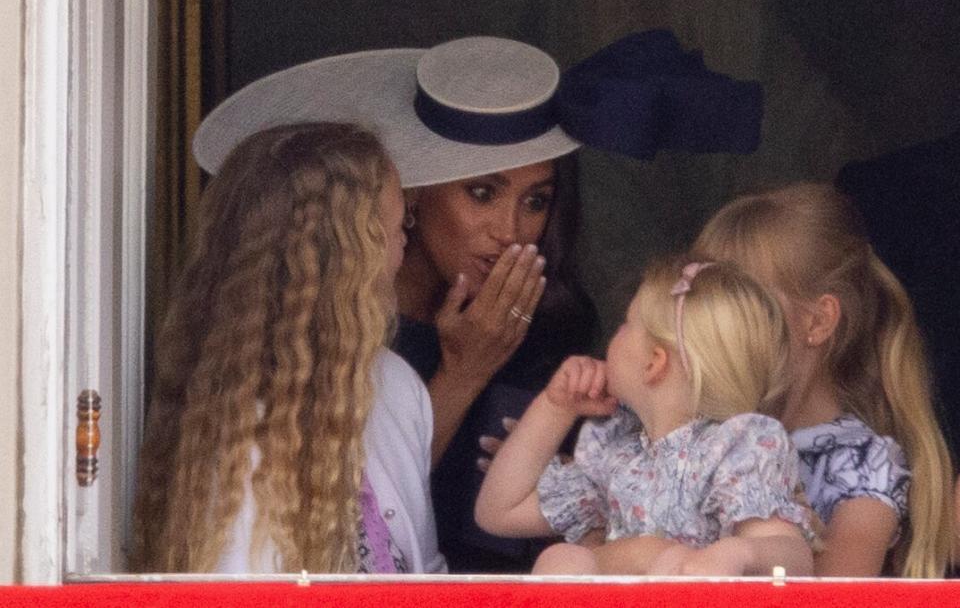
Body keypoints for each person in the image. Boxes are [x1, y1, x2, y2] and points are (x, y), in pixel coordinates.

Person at [186, 31, 766, 572]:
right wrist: (465, 371)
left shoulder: (560, 326)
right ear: (411, 198)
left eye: (536, 201)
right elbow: (359, 511)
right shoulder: (340, 327)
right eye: (482, 193)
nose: (511, 229)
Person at [131, 122, 445, 573]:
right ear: (348, 259)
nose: (403, 247)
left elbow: (427, 576)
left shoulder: (396, 385)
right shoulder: (236, 431)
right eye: (393, 229)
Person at [475, 259, 815, 576]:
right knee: (559, 560)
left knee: (669, 561)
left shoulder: (735, 448)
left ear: (654, 363)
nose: (613, 335)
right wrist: (555, 407)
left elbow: (794, 558)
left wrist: (740, 554)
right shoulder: (619, 452)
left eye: (625, 325)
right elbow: (498, 512)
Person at [692, 182, 954, 577]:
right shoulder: (702, 433)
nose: (716, 328)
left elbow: (832, 595)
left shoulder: (861, 466)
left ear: (817, 321)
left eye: (741, 308)